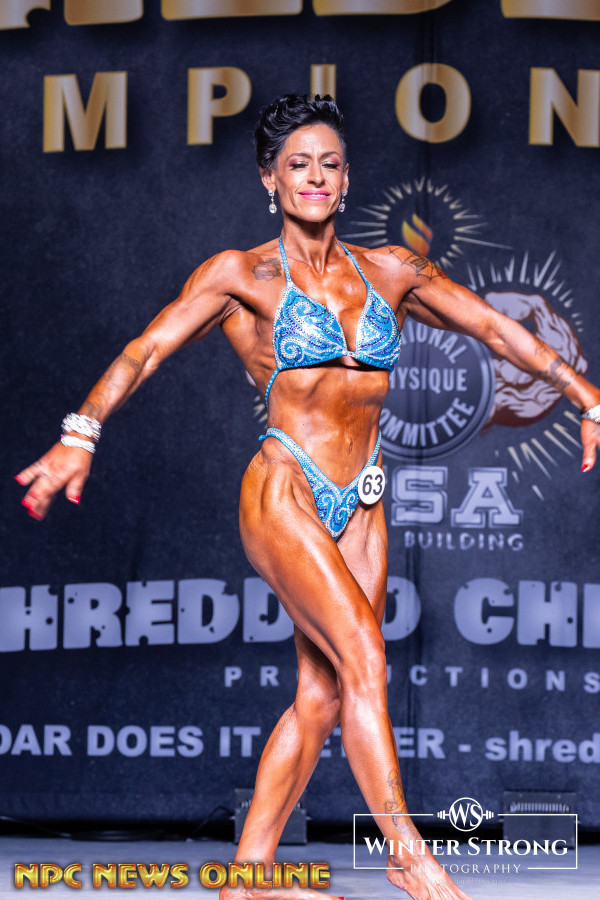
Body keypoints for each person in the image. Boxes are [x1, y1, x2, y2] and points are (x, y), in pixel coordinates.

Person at [15, 94, 600, 900]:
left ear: (348, 178)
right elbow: (145, 350)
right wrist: (80, 432)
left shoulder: (392, 271)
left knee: (322, 694)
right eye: (298, 164)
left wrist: (588, 397)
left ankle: (249, 878)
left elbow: (498, 330)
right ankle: (408, 853)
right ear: (271, 179)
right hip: (285, 486)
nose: (316, 177)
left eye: (330, 164)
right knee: (366, 655)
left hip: (364, 497)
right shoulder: (240, 275)